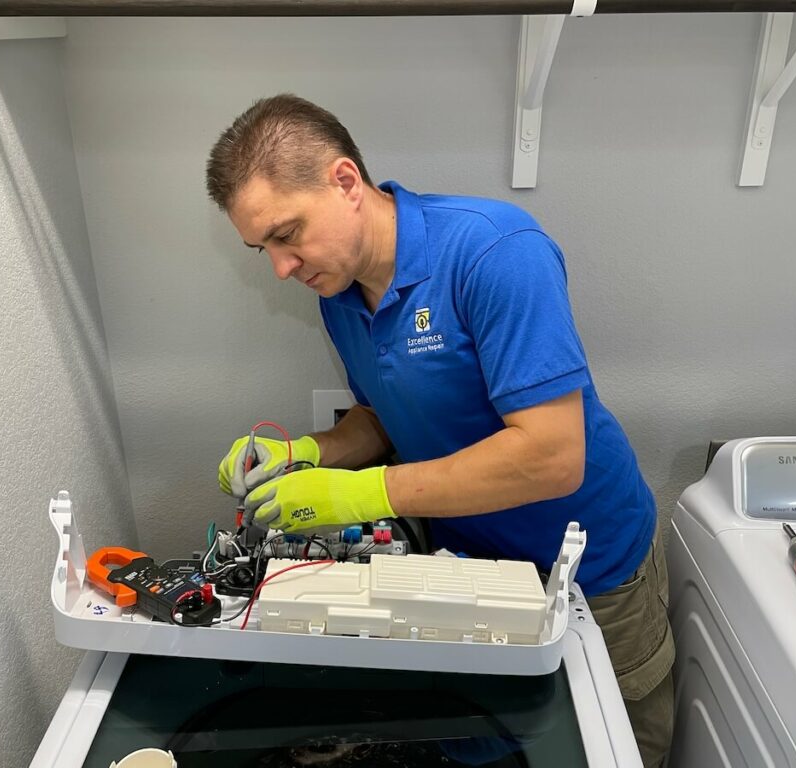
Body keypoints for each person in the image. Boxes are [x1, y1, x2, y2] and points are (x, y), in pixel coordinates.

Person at [206, 94, 674, 767]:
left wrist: (367, 493)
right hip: (474, 567)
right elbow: (383, 416)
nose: (282, 267)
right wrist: (309, 453)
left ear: (345, 182)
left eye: (287, 234)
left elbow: (552, 456)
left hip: (590, 576)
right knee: (492, 738)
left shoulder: (495, 252)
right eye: (264, 250)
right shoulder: (339, 294)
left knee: (605, 748)